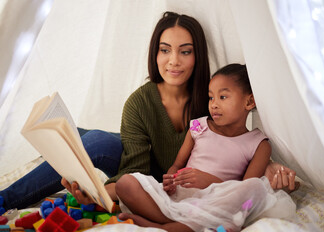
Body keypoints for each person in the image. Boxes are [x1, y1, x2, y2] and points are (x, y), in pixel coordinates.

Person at [0, 12, 296, 211]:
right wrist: (105, 194)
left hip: (160, 174)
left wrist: (268, 166)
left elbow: (236, 142)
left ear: (197, 55)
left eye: (185, 51)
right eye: (165, 50)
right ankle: (5, 200)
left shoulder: (214, 99)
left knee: (87, 138)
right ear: (155, 54)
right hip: (138, 164)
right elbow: (135, 170)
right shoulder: (139, 102)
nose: (173, 61)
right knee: (87, 141)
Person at [115, 63, 296, 232]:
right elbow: (177, 164)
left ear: (249, 102)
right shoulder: (198, 127)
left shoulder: (259, 144)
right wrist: (171, 178)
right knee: (125, 183)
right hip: (180, 196)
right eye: (211, 97)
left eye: (222, 97)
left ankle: (169, 228)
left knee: (252, 190)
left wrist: (210, 181)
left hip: (216, 204)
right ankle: (167, 220)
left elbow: (247, 191)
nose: (214, 104)